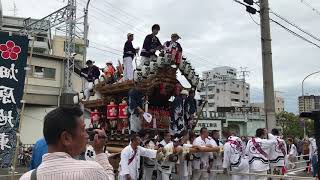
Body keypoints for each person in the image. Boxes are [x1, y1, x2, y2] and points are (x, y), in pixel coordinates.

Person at [20, 106, 114, 180]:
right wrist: (100, 152)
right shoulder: (92, 172)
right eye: (83, 130)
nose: (87, 135)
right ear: (66, 138)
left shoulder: (27, 178)